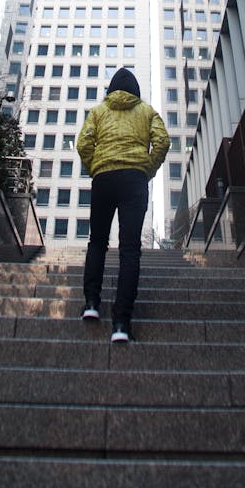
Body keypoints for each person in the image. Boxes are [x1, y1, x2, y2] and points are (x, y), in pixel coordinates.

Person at [76, 67, 170, 342]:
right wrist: (147, 169)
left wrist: (95, 167)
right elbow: (162, 141)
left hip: (104, 178)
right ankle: (121, 323)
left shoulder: (99, 111)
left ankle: (92, 303)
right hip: (134, 181)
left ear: (111, 90)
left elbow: (83, 143)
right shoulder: (146, 110)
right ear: (136, 91)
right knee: (130, 249)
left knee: (97, 242)